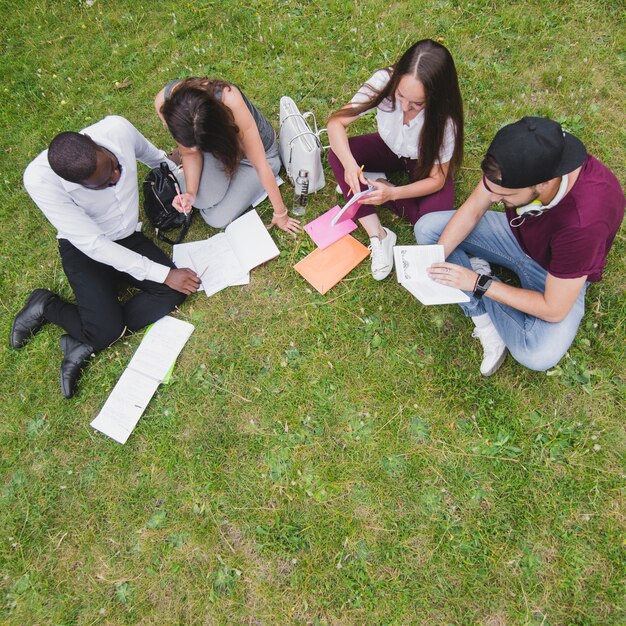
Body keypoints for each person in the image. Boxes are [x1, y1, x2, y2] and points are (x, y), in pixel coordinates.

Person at [415, 116, 625, 376]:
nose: (492, 199)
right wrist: (429, 261)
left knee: (537, 353)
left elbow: (554, 308)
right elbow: (473, 210)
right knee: (427, 230)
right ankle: (482, 316)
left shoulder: (582, 225)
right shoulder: (524, 159)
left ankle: (480, 280)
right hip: (517, 237)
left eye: (503, 196)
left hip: (556, 274)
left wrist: (479, 283)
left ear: (544, 183)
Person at [12, 115, 201, 398]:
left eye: (115, 167)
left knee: (173, 294)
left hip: (126, 237)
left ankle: (90, 336)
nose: (115, 179)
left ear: (93, 142)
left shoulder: (116, 129)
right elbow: (94, 245)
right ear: (72, 182)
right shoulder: (40, 180)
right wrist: (165, 273)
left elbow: (152, 156)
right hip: (84, 248)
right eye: (102, 184)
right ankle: (46, 305)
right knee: (108, 330)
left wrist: (179, 182)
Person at [327, 39, 463, 280]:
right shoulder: (383, 81)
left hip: (424, 163)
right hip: (388, 149)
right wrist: (349, 165)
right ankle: (378, 234)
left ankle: (376, 188)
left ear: (434, 96)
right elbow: (337, 123)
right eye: (400, 96)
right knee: (337, 154)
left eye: (416, 104)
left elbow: (437, 180)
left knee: (430, 225)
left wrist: (394, 194)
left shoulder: (445, 121)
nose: (405, 106)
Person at [154, 77, 301, 234]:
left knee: (215, 218)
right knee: (200, 198)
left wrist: (281, 213)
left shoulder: (230, 99)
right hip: (216, 152)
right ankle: (207, 183)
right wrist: (190, 193)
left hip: (258, 158)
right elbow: (189, 153)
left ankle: (217, 179)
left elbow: (260, 164)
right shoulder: (164, 104)